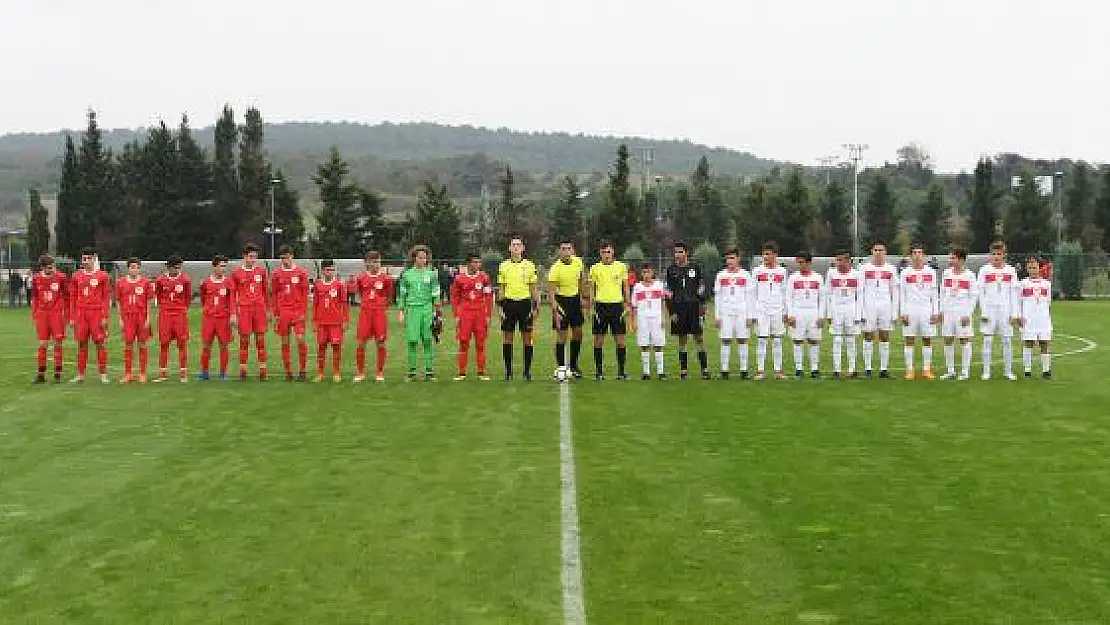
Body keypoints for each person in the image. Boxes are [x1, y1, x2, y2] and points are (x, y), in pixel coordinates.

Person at [664, 242, 709, 379]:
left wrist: (703, 306)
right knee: (682, 339)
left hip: (694, 308)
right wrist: (671, 312)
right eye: (676, 252)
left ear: (686, 252)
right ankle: (684, 372)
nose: (677, 255)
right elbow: (668, 292)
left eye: (680, 252)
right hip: (678, 308)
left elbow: (701, 288)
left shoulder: (695, 268)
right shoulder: (671, 270)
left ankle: (705, 370)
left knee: (699, 338)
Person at [496, 236, 539, 380]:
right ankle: (508, 372)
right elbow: (501, 289)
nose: (516, 247)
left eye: (518, 245)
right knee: (508, 339)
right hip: (508, 304)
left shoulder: (530, 265)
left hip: (525, 304)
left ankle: (527, 372)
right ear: (509, 248)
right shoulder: (503, 266)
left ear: (523, 248)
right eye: (513, 245)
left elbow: (533, 288)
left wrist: (536, 307)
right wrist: (500, 308)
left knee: (527, 338)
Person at [587, 242, 630, 380]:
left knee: (621, 341)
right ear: (600, 253)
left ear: (613, 253)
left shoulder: (621, 267)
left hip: (617, 307)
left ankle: (621, 372)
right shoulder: (594, 268)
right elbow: (591, 288)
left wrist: (627, 304)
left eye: (609, 252)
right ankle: (599, 373)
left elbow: (625, 287)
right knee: (598, 341)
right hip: (600, 307)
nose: (607, 254)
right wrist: (591, 306)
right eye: (604, 252)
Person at [398, 244, 442, 380]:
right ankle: (412, 372)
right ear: (414, 258)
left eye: (425, 257)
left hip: (427, 309)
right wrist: (401, 311)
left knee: (427, 340)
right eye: (420, 257)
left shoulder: (432, 274)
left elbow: (436, 293)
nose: (423, 260)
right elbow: (402, 294)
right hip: (412, 310)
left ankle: (429, 372)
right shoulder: (407, 275)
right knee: (412, 341)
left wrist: (438, 313)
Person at [977, 241, 1020, 381]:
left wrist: (1014, 313)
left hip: (1005, 310)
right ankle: (986, 372)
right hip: (989, 310)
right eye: (994, 254)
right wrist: (983, 312)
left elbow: (1015, 293)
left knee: (1007, 341)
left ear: (1004, 255)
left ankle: (1008, 372)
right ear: (990, 255)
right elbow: (980, 292)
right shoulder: (984, 270)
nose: (996, 257)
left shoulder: (1011, 270)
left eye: (999, 254)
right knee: (987, 340)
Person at [69, 248, 112, 383]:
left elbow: (106, 297)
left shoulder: (103, 276)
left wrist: (105, 316)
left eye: (89, 258)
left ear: (94, 259)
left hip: (97, 313)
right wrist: (72, 317)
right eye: (84, 259)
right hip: (81, 313)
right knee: (82, 344)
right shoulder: (76, 276)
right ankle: (81, 375)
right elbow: (72, 297)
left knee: (100, 344)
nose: (86, 261)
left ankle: (103, 375)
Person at [351, 251, 394, 382]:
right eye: (373, 262)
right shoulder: (361, 278)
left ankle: (380, 372)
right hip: (365, 313)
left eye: (378, 262)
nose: (376, 264)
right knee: (361, 342)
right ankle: (360, 372)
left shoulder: (386, 278)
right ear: (367, 263)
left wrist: (380, 306)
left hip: (379, 313)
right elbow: (359, 292)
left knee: (380, 342)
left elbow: (389, 296)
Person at [899, 244, 940, 380]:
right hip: (910, 309)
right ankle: (910, 370)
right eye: (915, 253)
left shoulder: (931, 272)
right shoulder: (905, 272)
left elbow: (934, 293)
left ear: (924, 256)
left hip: (926, 309)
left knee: (927, 339)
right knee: (909, 339)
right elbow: (902, 294)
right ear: (911, 256)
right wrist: (903, 312)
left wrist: (935, 311)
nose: (917, 255)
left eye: (920, 253)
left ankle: (926, 370)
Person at [547, 240, 587, 378]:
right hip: (561, 302)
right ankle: (561, 368)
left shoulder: (578, 262)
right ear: (560, 251)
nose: (565, 251)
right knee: (562, 336)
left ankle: (574, 365)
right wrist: (555, 309)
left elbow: (581, 279)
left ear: (572, 250)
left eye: (568, 248)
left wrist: (582, 296)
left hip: (575, 300)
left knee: (578, 332)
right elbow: (551, 292)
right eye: (563, 249)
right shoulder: (555, 268)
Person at [860, 243, 900, 379]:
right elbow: (860, 290)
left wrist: (894, 312)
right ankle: (868, 369)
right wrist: (861, 311)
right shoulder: (864, 268)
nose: (878, 252)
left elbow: (895, 291)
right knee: (868, 336)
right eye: (876, 250)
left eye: (881, 250)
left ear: (885, 252)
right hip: (869, 305)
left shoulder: (891, 269)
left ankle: (883, 370)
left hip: (885, 306)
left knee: (884, 336)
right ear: (872, 252)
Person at [451, 253, 493, 380]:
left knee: (480, 344)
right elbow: (455, 297)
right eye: (474, 262)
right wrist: (456, 315)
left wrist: (488, 314)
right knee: (463, 343)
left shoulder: (484, 277)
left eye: (479, 262)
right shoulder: (459, 279)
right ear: (468, 264)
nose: (477, 265)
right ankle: (462, 373)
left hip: (480, 313)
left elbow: (489, 296)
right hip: (465, 313)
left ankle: (481, 373)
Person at [713, 249, 755, 380]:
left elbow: (750, 296)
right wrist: (717, 316)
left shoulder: (746, 275)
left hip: (741, 312)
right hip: (725, 312)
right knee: (725, 340)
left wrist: (750, 315)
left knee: (742, 340)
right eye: (727, 258)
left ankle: (744, 371)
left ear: (738, 259)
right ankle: (724, 371)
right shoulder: (721, 275)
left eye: (732, 258)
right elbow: (717, 297)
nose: (729, 261)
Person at [231, 243, 270, 380]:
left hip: (259, 309)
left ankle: (263, 370)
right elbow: (232, 295)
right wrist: (233, 313)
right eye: (251, 257)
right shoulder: (236, 273)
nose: (253, 260)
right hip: (245, 310)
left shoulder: (261, 271)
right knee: (244, 340)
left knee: (260, 340)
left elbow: (266, 292)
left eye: (255, 257)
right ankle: (243, 370)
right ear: (244, 257)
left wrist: (268, 310)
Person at [271, 246, 310, 381]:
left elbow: (305, 294)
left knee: (300, 339)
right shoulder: (276, 273)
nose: (285, 260)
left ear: (292, 256)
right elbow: (274, 294)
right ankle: (288, 372)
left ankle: (303, 371)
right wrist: (276, 313)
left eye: (287, 257)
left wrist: (303, 311)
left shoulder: (301, 273)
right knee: (285, 341)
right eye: (282, 258)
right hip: (283, 312)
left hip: (297, 311)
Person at [785, 252, 826, 379]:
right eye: (798, 262)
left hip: (813, 312)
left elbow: (822, 298)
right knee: (797, 341)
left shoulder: (818, 278)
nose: (799, 265)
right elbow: (788, 297)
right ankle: (799, 369)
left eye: (802, 262)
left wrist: (821, 315)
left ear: (809, 262)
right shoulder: (793, 278)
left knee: (814, 341)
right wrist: (790, 314)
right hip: (798, 312)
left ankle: (814, 370)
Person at [752, 241, 788, 380]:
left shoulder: (782, 271)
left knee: (777, 340)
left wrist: (786, 312)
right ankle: (760, 371)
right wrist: (753, 312)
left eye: (768, 254)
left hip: (777, 309)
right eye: (764, 254)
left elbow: (785, 293)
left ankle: (778, 371)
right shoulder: (757, 271)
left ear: (775, 255)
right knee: (762, 340)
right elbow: (752, 293)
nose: (765, 257)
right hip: (761, 310)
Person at [939, 248, 978, 380]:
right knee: (948, 339)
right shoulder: (946, 273)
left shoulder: (970, 275)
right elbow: (943, 292)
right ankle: (950, 371)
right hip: (948, 311)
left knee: (964, 340)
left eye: (953, 258)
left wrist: (968, 314)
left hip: (962, 311)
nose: (950, 260)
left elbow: (973, 296)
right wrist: (941, 311)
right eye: (950, 258)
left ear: (961, 259)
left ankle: (965, 372)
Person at [30, 254, 68, 383]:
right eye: (49, 268)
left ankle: (58, 372)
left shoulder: (61, 277)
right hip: (42, 314)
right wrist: (34, 311)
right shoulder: (36, 278)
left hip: (56, 314)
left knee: (58, 343)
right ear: (42, 268)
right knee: (43, 344)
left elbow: (67, 295)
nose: (52, 270)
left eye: (53, 267)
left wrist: (67, 314)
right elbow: (35, 296)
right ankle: (41, 374)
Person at [826, 250, 863, 379]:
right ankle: (837, 370)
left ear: (848, 261)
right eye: (837, 260)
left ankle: (852, 370)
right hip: (836, 310)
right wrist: (829, 314)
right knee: (836, 340)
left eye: (841, 260)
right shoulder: (831, 273)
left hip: (851, 309)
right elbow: (828, 294)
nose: (838, 263)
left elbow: (860, 296)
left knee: (851, 340)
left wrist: (858, 315)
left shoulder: (856, 274)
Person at [115, 257, 154, 384]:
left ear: (139, 268)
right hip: (127, 317)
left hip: (141, 316)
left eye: (136, 267)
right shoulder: (120, 282)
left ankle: (142, 373)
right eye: (132, 267)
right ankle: (128, 374)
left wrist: (148, 318)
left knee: (142, 344)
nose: (134, 270)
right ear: (128, 268)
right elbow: (118, 302)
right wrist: (120, 319)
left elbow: (149, 302)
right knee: (128, 344)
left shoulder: (145, 283)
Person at [154, 255, 192, 383]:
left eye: (179, 267)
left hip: (180, 314)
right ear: (169, 267)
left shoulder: (185, 279)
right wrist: (165, 307)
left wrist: (181, 308)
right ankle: (163, 373)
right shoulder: (160, 280)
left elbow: (188, 297)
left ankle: (183, 373)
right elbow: (158, 296)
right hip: (165, 314)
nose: (178, 270)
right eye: (175, 267)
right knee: (164, 343)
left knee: (182, 343)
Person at [198, 255, 236, 381]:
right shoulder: (205, 283)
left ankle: (223, 373)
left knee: (223, 345)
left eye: (225, 266)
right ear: (214, 267)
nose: (223, 268)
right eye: (221, 266)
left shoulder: (229, 282)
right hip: (209, 319)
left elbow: (231, 301)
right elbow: (203, 298)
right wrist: (208, 310)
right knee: (206, 346)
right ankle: (204, 372)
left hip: (223, 319)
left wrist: (232, 315)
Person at [630, 264, 668, 380]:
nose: (646, 274)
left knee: (658, 345)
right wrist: (634, 321)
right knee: (644, 345)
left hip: (656, 318)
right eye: (644, 272)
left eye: (648, 272)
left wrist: (663, 318)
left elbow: (663, 302)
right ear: (642, 273)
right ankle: (646, 373)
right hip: (642, 318)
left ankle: (660, 372)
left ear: (652, 273)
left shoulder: (659, 285)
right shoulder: (637, 287)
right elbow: (634, 306)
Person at [1018, 256, 1054, 379]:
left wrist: (1047, 316)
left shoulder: (1047, 284)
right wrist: (1020, 316)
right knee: (1028, 343)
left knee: (1045, 343)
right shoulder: (1023, 283)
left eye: (1035, 267)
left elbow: (1048, 302)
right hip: (1028, 319)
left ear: (1039, 268)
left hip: (1043, 319)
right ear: (1027, 269)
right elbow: (1018, 302)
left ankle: (1046, 371)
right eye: (1030, 267)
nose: (1033, 270)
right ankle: (1027, 371)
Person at [313, 260, 348, 382]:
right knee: (321, 347)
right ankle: (320, 373)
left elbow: (344, 304)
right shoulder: (318, 285)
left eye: (332, 270)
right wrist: (315, 321)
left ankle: (336, 373)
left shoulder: (339, 285)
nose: (330, 272)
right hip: (322, 323)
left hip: (335, 322)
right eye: (328, 270)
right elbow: (315, 304)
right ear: (323, 271)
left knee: (336, 347)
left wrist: (345, 320)